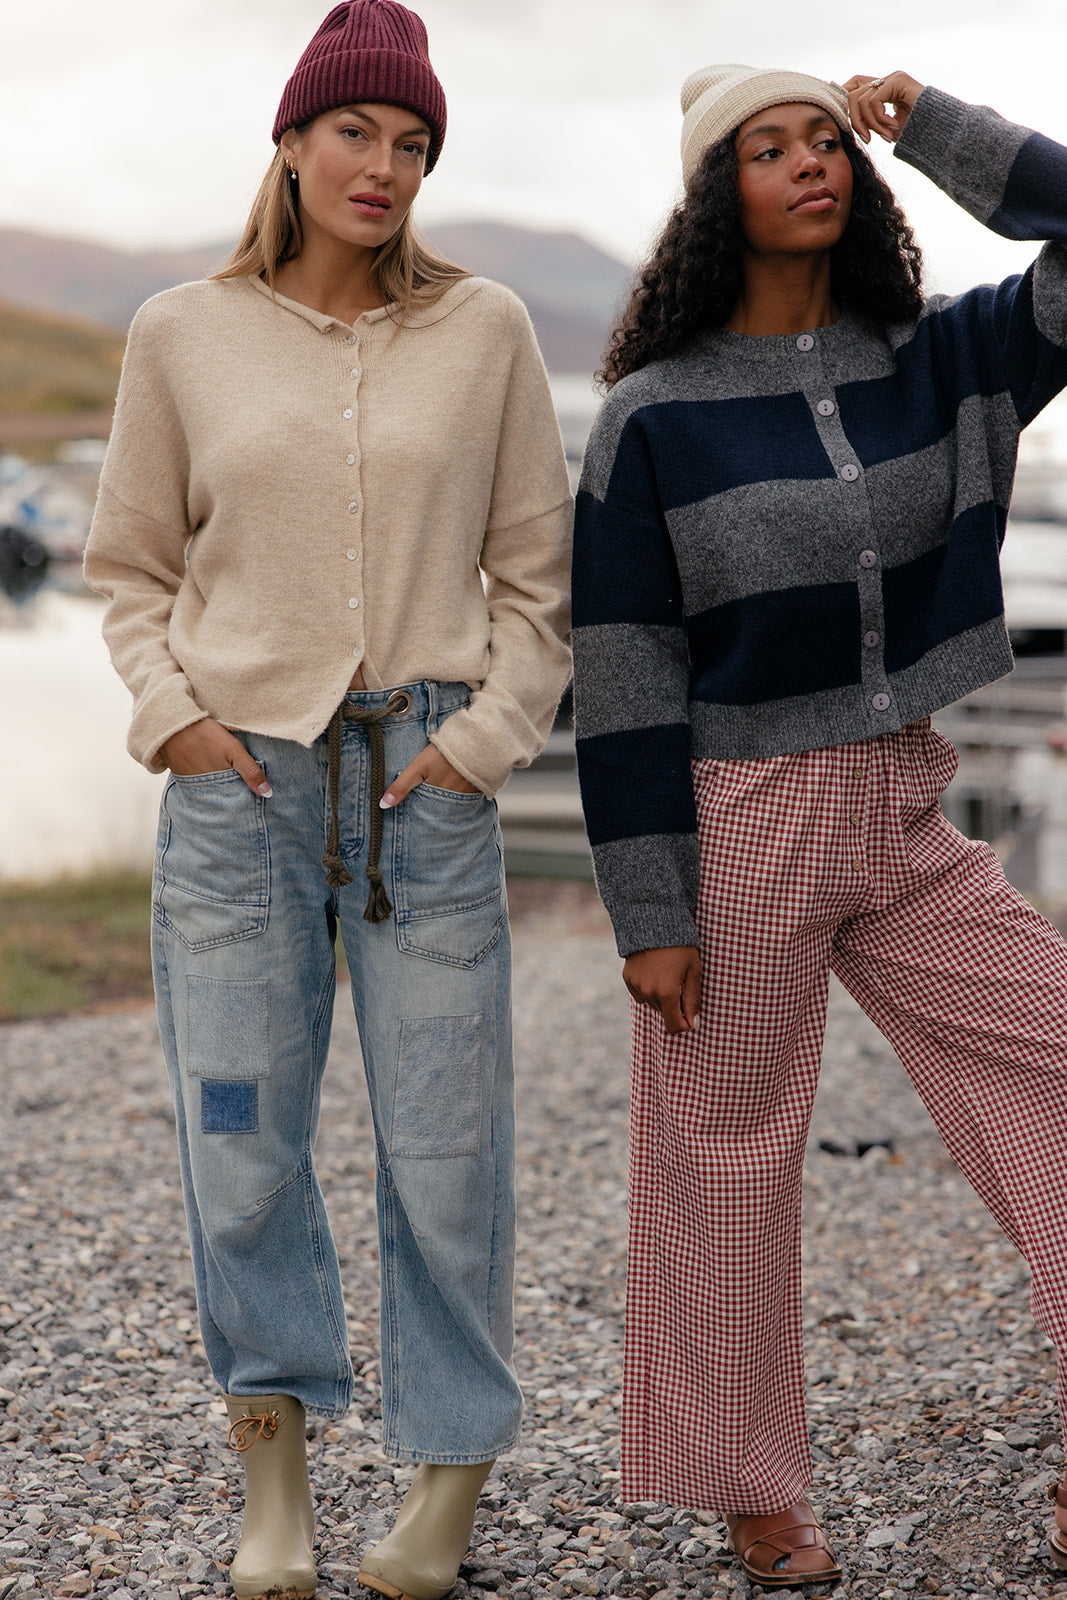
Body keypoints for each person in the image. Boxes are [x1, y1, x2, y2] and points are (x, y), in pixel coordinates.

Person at [83, 4, 572, 1597]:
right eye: (358, 131)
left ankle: (448, 1479)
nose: (386, 165)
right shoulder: (180, 333)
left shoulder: (486, 327)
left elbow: (537, 587)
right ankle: (271, 1471)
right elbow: (131, 574)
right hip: (238, 796)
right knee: (239, 1145)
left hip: (426, 790)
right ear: (292, 142)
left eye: (415, 142)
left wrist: (485, 742)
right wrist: (179, 726)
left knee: (446, 1154)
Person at [572, 62, 1067, 1589]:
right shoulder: (650, 419)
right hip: (741, 824)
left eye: (828, 140)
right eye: (768, 147)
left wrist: (944, 132)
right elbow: (625, 667)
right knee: (725, 1155)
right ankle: (751, 1484)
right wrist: (651, 908)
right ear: (715, 193)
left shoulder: (943, 360)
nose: (811, 163)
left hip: (905, 808)